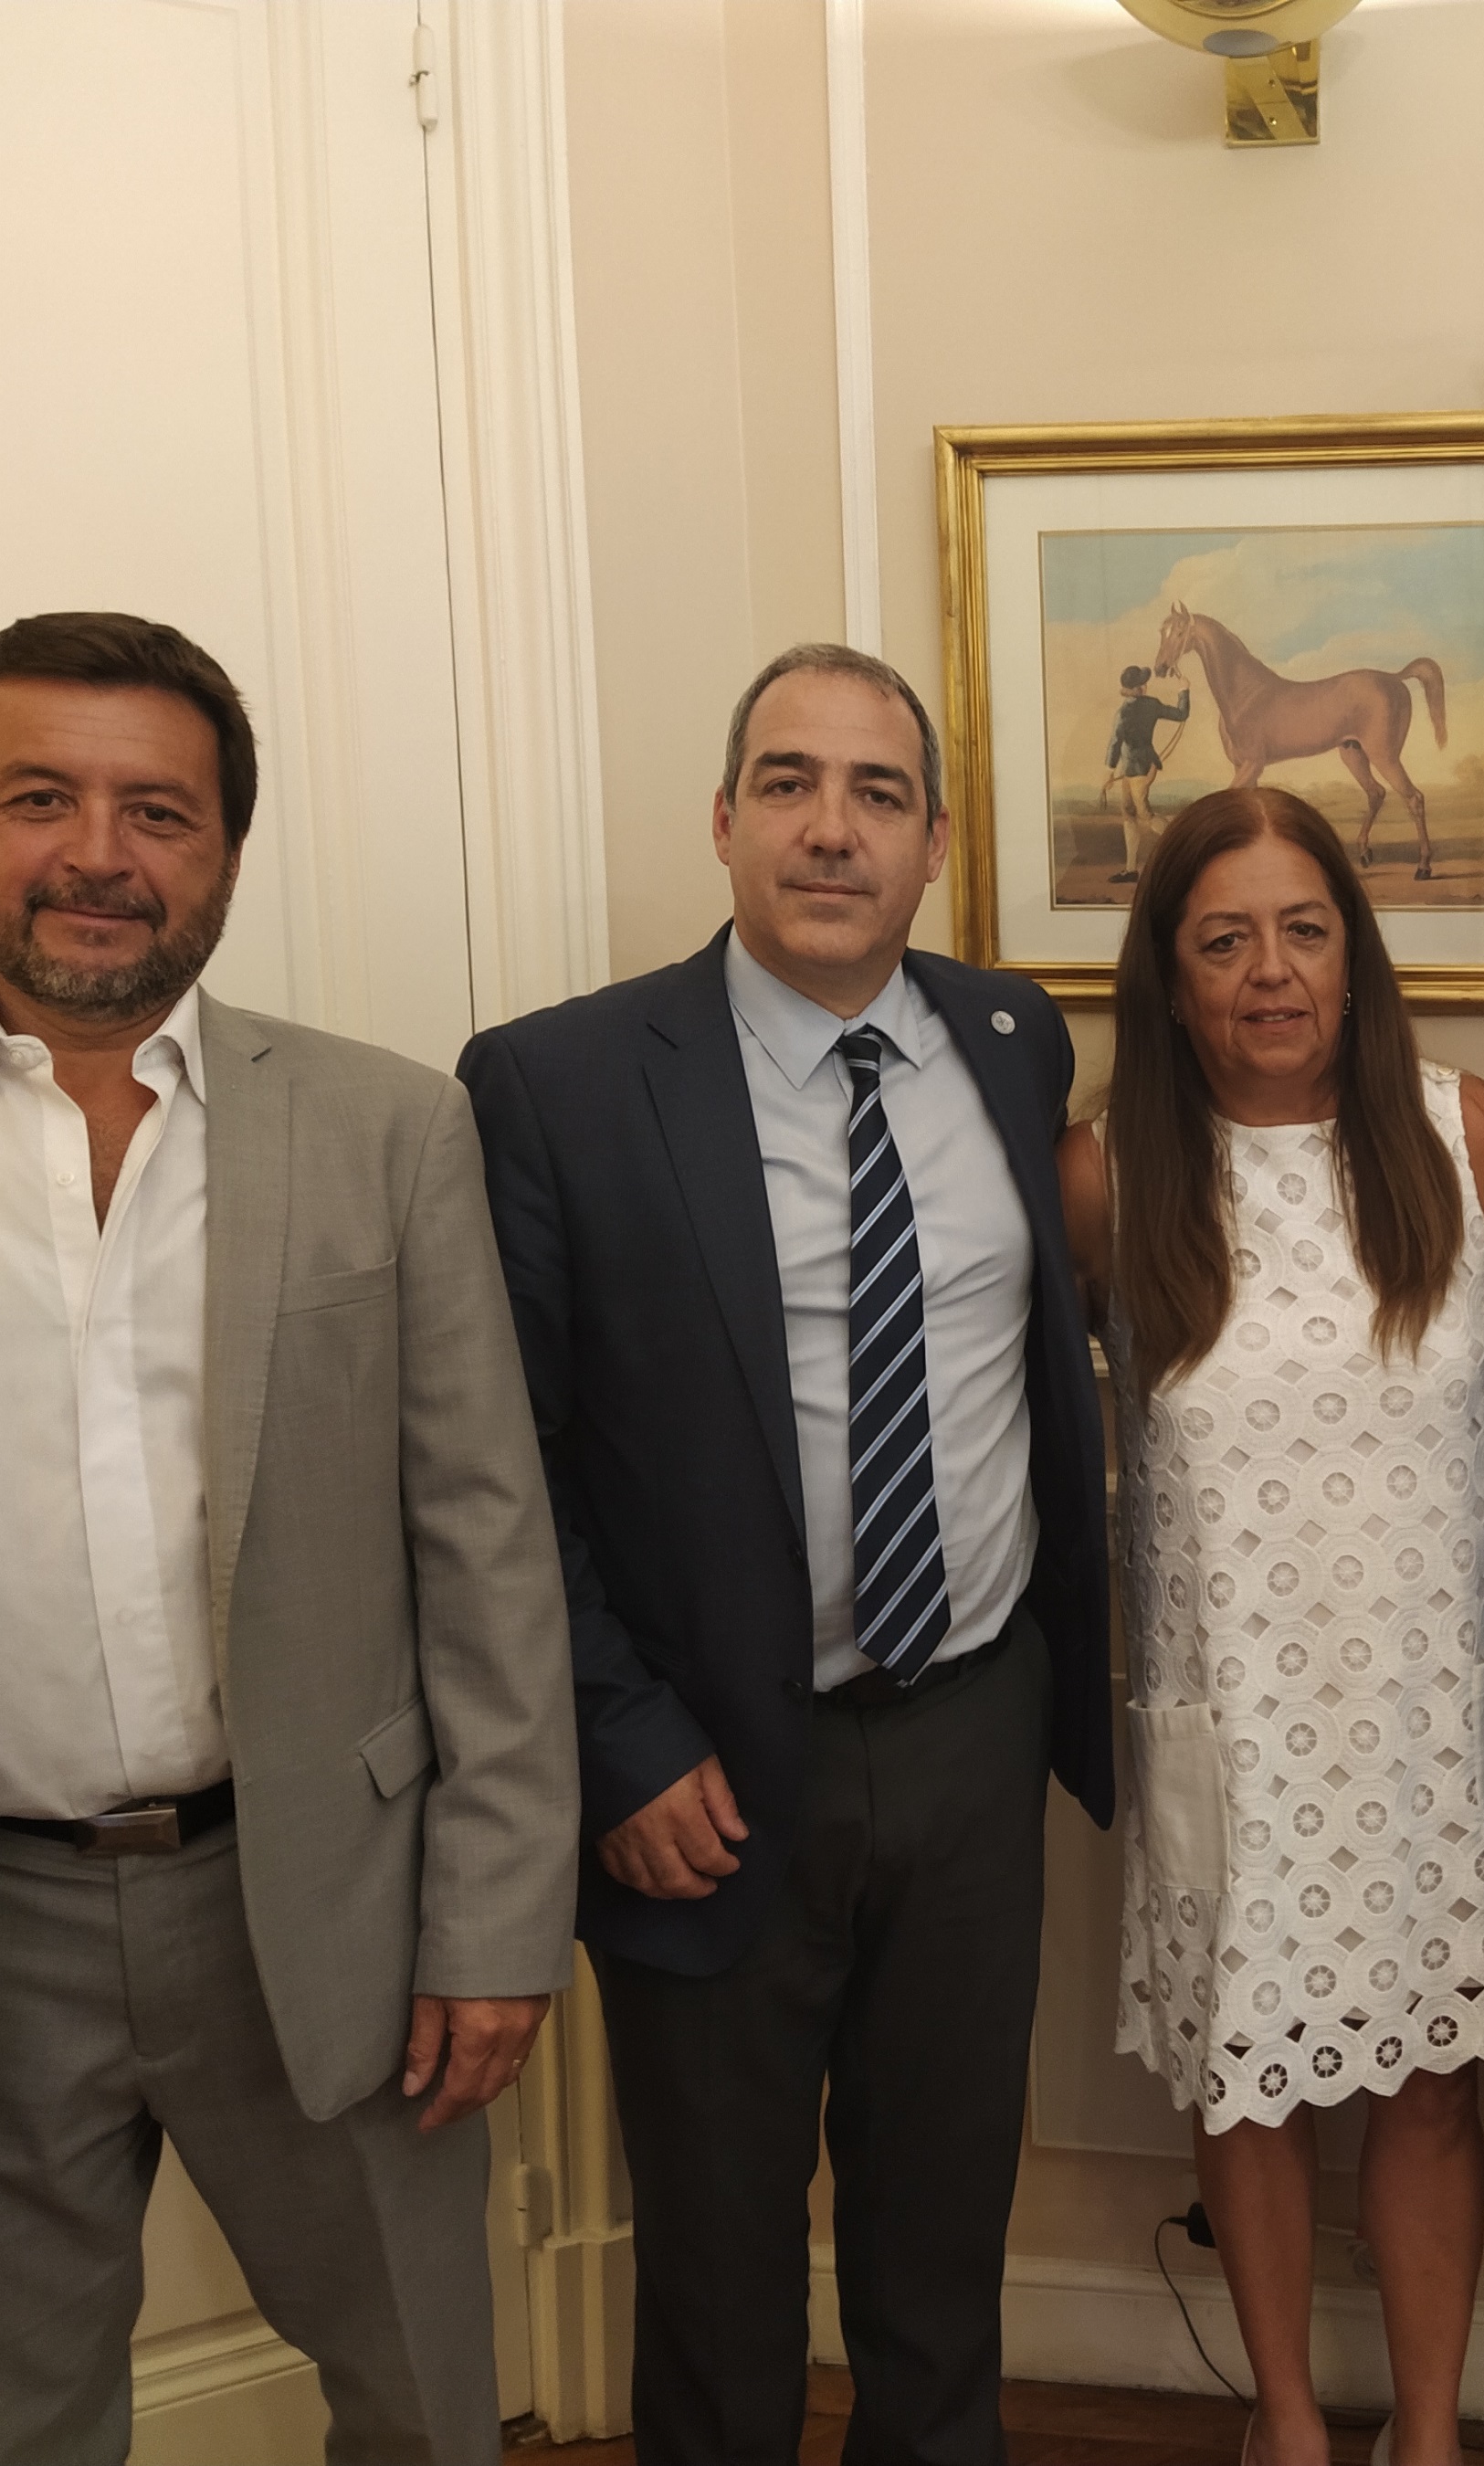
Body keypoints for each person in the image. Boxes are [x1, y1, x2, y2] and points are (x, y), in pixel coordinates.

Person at [0, 611, 580, 2463]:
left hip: (327, 1914)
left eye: (158, 811)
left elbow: (489, 1557)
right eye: (38, 799)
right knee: (14, 2436)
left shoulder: (390, 1132)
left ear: (226, 847)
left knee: (423, 2402)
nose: (97, 855)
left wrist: (495, 1922)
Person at [458, 643, 1111, 2466]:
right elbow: (499, 1467)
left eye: (877, 794)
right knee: (721, 2283)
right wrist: (618, 1741)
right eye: (791, 784)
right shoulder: (562, 1082)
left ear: (935, 843)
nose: (833, 829)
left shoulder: (1010, 1041)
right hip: (705, 1773)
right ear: (726, 819)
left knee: (942, 2253)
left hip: (971, 1734)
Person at [1057, 786, 1484, 2466]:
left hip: (1430, 1712)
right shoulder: (1107, 1176)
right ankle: (1285, 2421)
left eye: (1303, 930)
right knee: (1244, 2073)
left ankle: (1428, 2434)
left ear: (1355, 952)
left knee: (1430, 2083)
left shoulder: (1469, 1138)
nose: (1270, 972)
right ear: (1171, 974)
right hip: (1232, 1718)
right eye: (1225, 941)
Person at [1100, 661, 1193, 880]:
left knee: (1144, 814)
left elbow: (1115, 743)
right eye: (1143, 682)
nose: (1146, 685)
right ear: (1138, 688)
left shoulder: (1123, 712)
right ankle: (1131, 869)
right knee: (1128, 812)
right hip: (1132, 768)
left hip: (1141, 769)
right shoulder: (1150, 705)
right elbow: (1181, 713)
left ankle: (1182, 844)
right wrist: (1183, 690)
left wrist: (1108, 771)